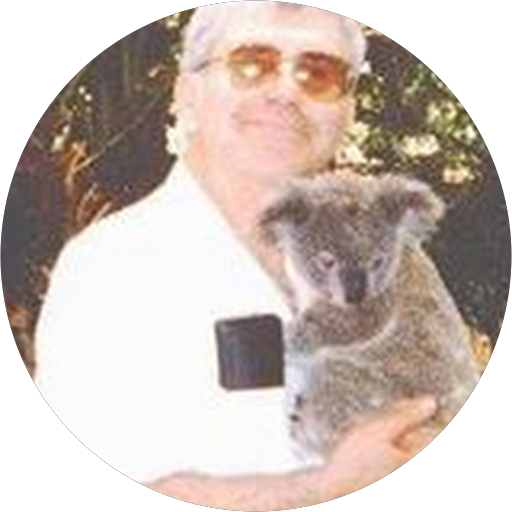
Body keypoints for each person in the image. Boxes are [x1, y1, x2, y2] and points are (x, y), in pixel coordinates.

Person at [35, 2, 438, 507]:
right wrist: (325, 487)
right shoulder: (109, 270)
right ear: (186, 92)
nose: (285, 91)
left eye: (318, 73)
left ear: (347, 111)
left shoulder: (384, 264)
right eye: (252, 64)